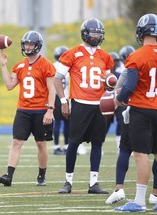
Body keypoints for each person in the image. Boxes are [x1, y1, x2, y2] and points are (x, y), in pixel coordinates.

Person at [54, 18, 114, 194]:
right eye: (93, 34)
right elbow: (58, 79)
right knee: (73, 143)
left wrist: (111, 86)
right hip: (80, 104)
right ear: (85, 34)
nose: (95, 37)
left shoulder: (106, 56)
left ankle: (94, 183)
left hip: (100, 105)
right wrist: (64, 101)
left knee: (97, 143)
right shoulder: (73, 53)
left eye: (98, 34)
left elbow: (109, 83)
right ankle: (68, 182)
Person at [114, 13, 157, 212]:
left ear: (141, 31)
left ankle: (139, 201)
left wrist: (119, 99)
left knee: (140, 155)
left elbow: (129, 87)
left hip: (142, 110)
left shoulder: (136, 56)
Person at [0, 31, 56, 187]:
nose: (28, 47)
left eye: (30, 44)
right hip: (23, 110)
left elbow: (52, 89)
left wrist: (50, 109)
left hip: (41, 110)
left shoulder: (46, 65)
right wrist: (3, 66)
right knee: (16, 142)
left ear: (37, 46)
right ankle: (9, 176)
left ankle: (42, 175)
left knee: (41, 144)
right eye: (26, 44)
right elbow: (9, 85)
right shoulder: (20, 65)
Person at [105, 45, 157, 205]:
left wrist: (117, 99)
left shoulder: (137, 59)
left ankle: (124, 191)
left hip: (139, 112)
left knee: (132, 151)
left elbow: (124, 88)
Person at [52, 46, 87, 156]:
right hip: (66, 96)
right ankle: (66, 146)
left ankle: (57, 146)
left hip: (56, 97)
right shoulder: (68, 67)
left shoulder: (53, 66)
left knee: (57, 123)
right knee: (67, 123)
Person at [106, 52, 125, 151]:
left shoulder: (119, 75)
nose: (116, 64)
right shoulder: (104, 75)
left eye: (117, 61)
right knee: (105, 124)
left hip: (117, 102)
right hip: (105, 102)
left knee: (121, 122)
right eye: (114, 61)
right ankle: (99, 146)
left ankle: (120, 146)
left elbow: (121, 89)